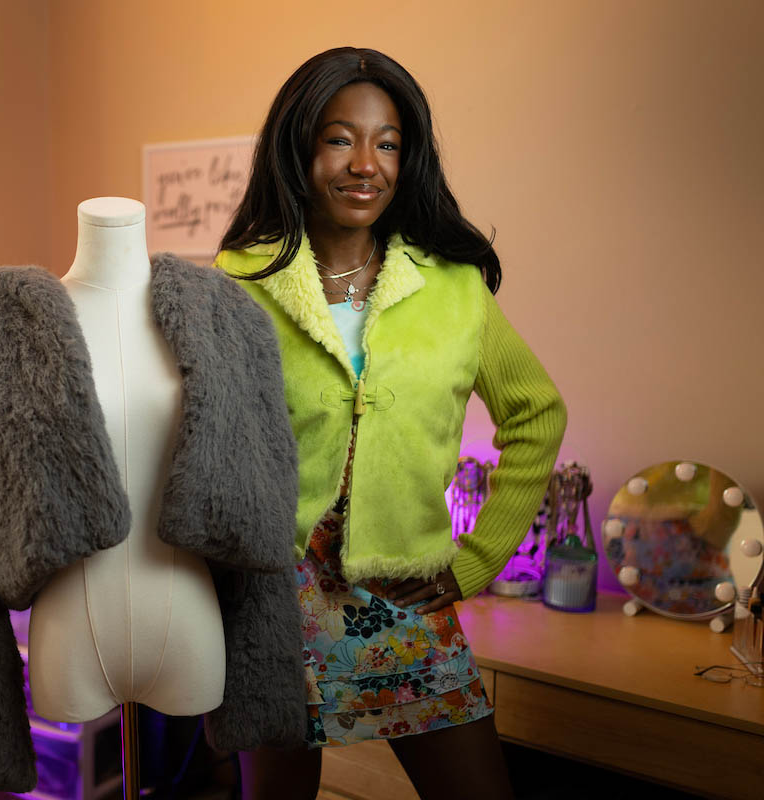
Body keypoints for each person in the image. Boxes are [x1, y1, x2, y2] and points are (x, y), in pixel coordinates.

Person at [214, 47, 567, 800]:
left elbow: (537, 413)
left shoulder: (453, 289)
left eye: (388, 143)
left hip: (400, 595)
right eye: (340, 138)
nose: (364, 164)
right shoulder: (239, 286)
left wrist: (477, 562)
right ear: (299, 145)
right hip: (272, 601)